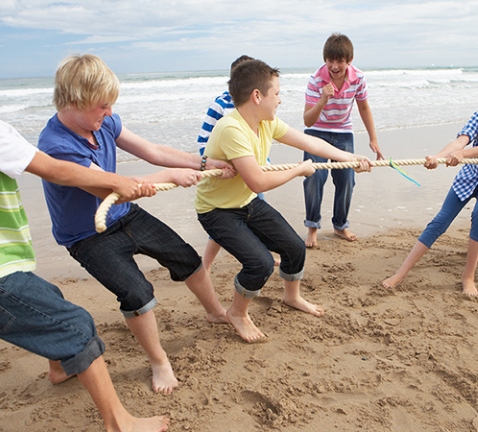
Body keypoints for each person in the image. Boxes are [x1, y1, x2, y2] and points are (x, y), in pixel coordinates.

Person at [0, 27, 169, 431]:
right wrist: (118, 182)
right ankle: (119, 422)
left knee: (48, 296)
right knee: (75, 324)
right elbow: (52, 168)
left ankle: (60, 369)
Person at [38, 54, 234, 395]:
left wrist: (205, 162)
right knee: (137, 293)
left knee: (185, 257)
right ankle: (159, 361)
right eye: (102, 106)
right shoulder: (56, 147)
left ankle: (216, 312)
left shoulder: (103, 122)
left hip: (125, 215)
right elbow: (114, 187)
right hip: (89, 235)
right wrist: (169, 176)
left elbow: (151, 150)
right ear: (74, 100)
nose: (110, 113)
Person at [194, 59, 371, 342]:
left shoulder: (266, 122)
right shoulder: (232, 128)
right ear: (257, 96)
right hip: (217, 210)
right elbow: (258, 182)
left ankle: (293, 297)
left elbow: (308, 142)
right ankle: (237, 313)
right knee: (260, 263)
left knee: (294, 247)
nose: (279, 98)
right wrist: (299, 170)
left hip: (245, 202)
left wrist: (350, 157)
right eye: (276, 93)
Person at [382, 77, 478, 296]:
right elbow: (461, 141)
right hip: (469, 178)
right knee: (440, 221)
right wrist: (438, 156)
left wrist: (462, 154)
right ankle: (401, 273)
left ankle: (468, 276)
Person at [302, 33, 383, 248]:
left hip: (343, 132)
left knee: (346, 179)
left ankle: (339, 225)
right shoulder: (315, 79)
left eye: (340, 61)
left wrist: (373, 139)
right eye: (330, 60)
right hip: (316, 132)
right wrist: (322, 99)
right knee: (314, 178)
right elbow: (308, 120)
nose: (334, 66)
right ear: (325, 59)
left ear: (349, 61)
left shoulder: (358, 78)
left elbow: (364, 107)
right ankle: (312, 227)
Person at [197, 55, 253, 271]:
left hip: (251, 174)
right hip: (226, 175)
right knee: (223, 224)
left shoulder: (255, 107)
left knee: (258, 216)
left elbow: (259, 141)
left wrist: (262, 164)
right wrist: (216, 165)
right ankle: (206, 264)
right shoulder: (221, 105)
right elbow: (204, 140)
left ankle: (262, 252)